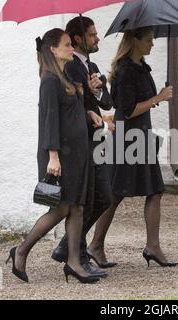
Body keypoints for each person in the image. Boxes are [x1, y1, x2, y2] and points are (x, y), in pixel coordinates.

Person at [6, 28, 100, 284]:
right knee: (60, 209)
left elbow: (71, 113)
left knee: (78, 207)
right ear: (53, 49)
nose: (72, 48)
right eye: (67, 45)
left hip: (78, 153)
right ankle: (22, 250)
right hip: (61, 156)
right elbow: (49, 121)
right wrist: (53, 157)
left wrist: (89, 112)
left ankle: (73, 262)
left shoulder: (67, 77)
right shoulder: (49, 80)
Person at [87, 27, 178, 267]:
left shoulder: (139, 66)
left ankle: (152, 246)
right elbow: (126, 111)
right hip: (129, 137)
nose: (152, 44)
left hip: (140, 135)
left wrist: (156, 98)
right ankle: (95, 245)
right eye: (148, 39)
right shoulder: (127, 69)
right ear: (134, 41)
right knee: (115, 195)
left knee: (154, 190)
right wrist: (158, 98)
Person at [51, 17, 116, 276]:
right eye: (92, 35)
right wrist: (88, 95)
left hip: (96, 141)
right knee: (83, 202)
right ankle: (77, 257)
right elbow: (73, 104)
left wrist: (98, 91)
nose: (97, 38)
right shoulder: (68, 67)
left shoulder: (94, 65)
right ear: (78, 39)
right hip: (78, 143)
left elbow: (108, 103)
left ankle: (66, 247)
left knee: (103, 198)